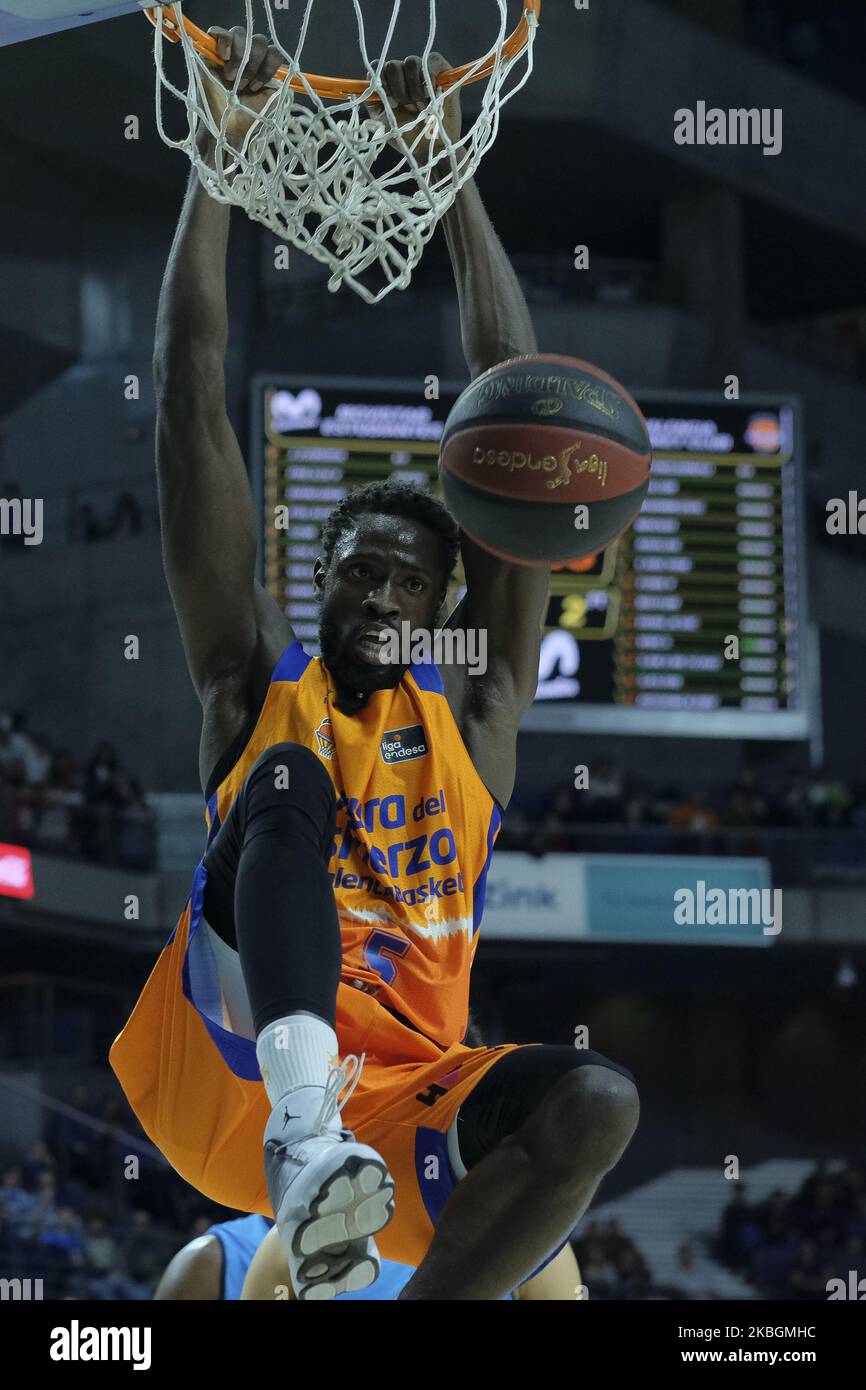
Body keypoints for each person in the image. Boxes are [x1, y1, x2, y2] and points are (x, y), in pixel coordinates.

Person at [111, 28, 639, 1302]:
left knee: (591, 1105)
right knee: (287, 778)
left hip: (395, 1119)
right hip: (234, 1075)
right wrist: (218, 162)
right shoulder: (253, 683)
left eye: (410, 580)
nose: (380, 595)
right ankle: (305, 1139)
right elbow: (191, 394)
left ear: (443, 600)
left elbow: (513, 408)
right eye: (357, 568)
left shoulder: (480, 720)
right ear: (322, 574)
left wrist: (450, 170)